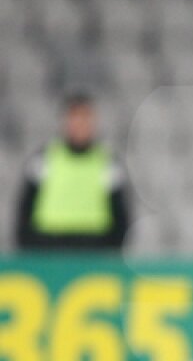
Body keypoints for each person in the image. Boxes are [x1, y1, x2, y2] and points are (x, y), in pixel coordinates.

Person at [16, 93, 130, 250]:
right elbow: (25, 208)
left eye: (85, 118)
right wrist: (28, 247)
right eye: (75, 118)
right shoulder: (43, 159)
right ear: (65, 122)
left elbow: (120, 212)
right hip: (49, 247)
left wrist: (113, 249)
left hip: (94, 247)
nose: (80, 124)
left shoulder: (108, 163)